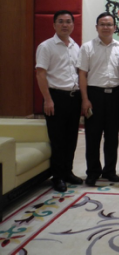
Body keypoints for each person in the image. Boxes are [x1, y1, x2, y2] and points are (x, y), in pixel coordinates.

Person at [35, 10, 83, 192]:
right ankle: (58, 177)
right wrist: (48, 99)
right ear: (54, 25)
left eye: (68, 21)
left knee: (71, 137)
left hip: (74, 97)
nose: (65, 25)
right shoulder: (46, 46)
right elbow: (40, 73)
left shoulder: (75, 46)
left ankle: (68, 172)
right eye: (61, 21)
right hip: (55, 98)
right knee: (58, 139)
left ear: (73, 25)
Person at [77, 12, 119, 186]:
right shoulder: (87, 47)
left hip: (115, 95)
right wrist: (85, 99)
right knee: (92, 136)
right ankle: (93, 172)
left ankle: (110, 170)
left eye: (109, 24)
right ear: (96, 27)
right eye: (102, 24)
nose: (106, 27)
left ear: (114, 27)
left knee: (112, 136)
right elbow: (82, 74)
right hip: (94, 95)